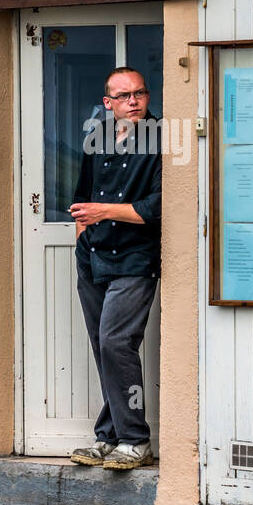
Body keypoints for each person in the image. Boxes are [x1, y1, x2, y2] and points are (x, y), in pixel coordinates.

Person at [68, 66, 161, 470]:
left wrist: (107, 211)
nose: (134, 101)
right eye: (124, 96)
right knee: (101, 345)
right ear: (108, 103)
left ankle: (136, 440)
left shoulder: (161, 140)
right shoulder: (97, 139)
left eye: (139, 93)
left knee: (115, 343)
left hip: (135, 257)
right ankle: (109, 435)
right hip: (93, 255)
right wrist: (81, 236)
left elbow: (157, 207)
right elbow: (82, 198)